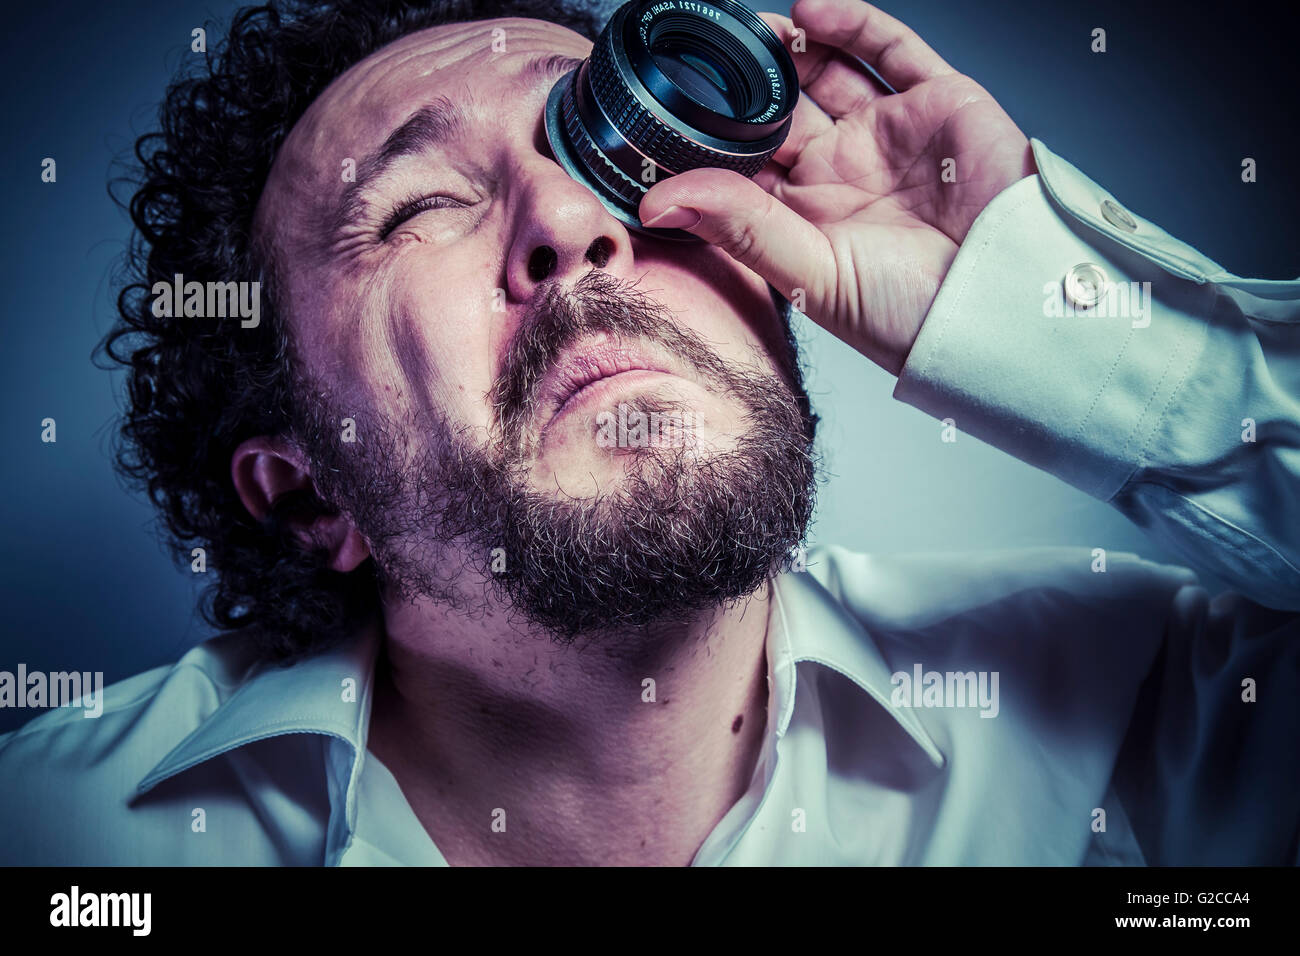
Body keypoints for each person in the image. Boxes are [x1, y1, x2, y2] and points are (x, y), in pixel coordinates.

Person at [0, 0, 1295, 866]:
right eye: (416, 211)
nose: (577, 226)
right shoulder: (58, 830)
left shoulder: (1146, 716)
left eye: (605, 154)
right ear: (304, 496)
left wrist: (1023, 301)